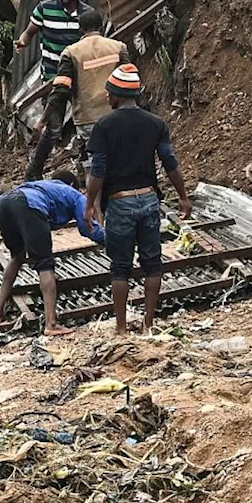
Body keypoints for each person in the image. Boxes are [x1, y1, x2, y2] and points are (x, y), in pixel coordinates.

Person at [85, 64, 191, 336]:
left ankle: (121, 328)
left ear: (116, 95)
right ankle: (148, 325)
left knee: (120, 268)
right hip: (148, 201)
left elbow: (98, 171)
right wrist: (183, 197)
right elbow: (169, 162)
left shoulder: (104, 125)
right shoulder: (155, 123)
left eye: (109, 94)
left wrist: (89, 205)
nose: (107, 98)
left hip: (119, 203)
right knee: (152, 264)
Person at [0, 170, 106, 336]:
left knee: (17, 257)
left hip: (3, 203)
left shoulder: (43, 186)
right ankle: (51, 324)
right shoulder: (73, 193)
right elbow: (88, 228)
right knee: (45, 264)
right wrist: (113, 240)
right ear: (73, 184)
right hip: (29, 205)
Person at [14, 0, 99, 181]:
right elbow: (29, 31)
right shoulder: (45, 8)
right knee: (53, 129)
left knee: (84, 124)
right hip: (52, 77)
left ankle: (86, 171)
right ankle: (34, 171)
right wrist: (23, 41)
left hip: (80, 78)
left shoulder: (86, 14)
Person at [31, 9, 126, 179]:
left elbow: (60, 90)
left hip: (88, 117)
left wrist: (43, 120)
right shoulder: (118, 47)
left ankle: (95, 203)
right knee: (120, 157)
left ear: (80, 29)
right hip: (117, 114)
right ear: (102, 26)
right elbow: (129, 79)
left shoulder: (71, 53)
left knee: (96, 163)